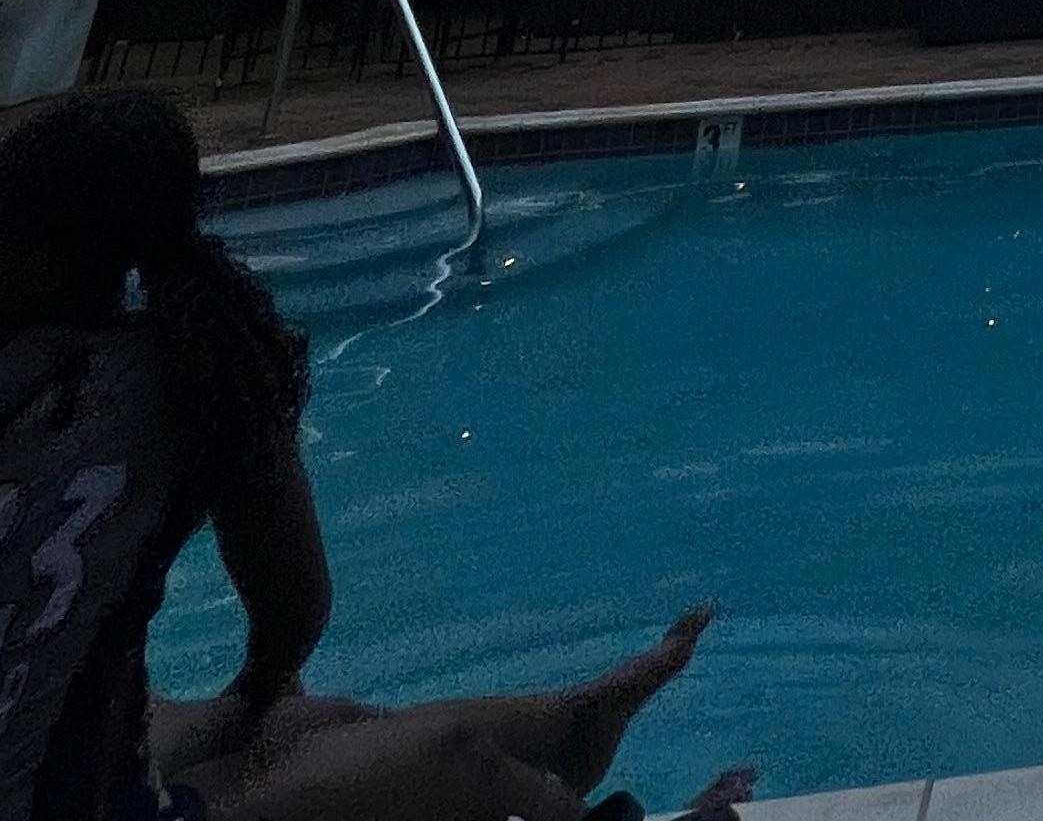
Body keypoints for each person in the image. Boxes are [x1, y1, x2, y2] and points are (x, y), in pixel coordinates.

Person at [0, 88, 749, 821]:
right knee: (440, 758)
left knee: (285, 728)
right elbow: (295, 612)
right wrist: (255, 686)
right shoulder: (190, 378)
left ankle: (577, 723)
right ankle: (582, 762)